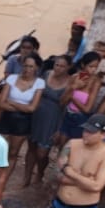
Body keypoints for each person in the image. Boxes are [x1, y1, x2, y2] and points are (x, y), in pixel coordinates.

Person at [24, 54, 73, 187]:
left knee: (42, 153)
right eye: (57, 65)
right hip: (37, 114)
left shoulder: (70, 82)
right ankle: (26, 177)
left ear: (68, 67)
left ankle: (40, 173)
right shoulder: (46, 74)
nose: (58, 68)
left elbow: (65, 106)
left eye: (62, 66)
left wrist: (60, 128)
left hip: (53, 120)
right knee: (31, 148)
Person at [0, 54, 45, 168]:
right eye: (25, 66)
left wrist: (12, 102)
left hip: (23, 122)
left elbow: (32, 108)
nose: (27, 69)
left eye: (31, 67)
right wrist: (23, 107)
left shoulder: (39, 83)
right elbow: (1, 103)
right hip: (7, 117)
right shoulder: (12, 78)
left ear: (36, 68)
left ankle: (4, 176)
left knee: (13, 152)